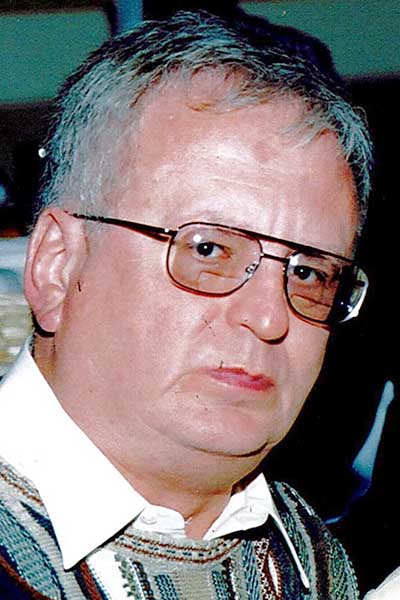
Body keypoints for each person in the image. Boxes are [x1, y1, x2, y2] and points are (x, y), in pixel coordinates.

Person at [0, 10, 372, 599]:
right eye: (208, 249)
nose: (269, 317)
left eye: (308, 272)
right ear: (57, 265)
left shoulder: (312, 562)